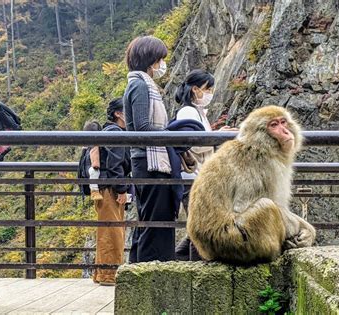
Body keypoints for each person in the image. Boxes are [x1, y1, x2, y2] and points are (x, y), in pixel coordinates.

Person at [123, 35, 177, 263]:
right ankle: (148, 271)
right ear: (149, 59)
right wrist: (174, 135)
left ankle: (138, 269)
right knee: (156, 220)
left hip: (148, 159)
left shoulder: (140, 84)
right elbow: (144, 126)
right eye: (159, 60)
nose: (161, 65)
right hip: (149, 161)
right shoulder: (140, 85)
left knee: (149, 219)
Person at [173, 69, 237, 260]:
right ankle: (194, 265)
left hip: (199, 176)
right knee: (199, 226)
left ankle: (180, 258)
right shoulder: (187, 111)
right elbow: (195, 142)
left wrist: (218, 132)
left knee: (199, 223)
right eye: (207, 89)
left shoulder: (197, 111)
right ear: (195, 89)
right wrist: (218, 137)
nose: (209, 93)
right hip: (192, 176)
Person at [93, 98, 131, 285]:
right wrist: (122, 189)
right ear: (118, 113)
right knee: (112, 232)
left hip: (104, 186)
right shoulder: (115, 133)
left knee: (107, 230)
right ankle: (109, 275)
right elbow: (116, 164)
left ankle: (102, 274)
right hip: (110, 188)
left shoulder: (107, 131)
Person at [83, 121, 103, 201]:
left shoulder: (86, 147)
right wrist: (96, 164)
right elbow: (95, 156)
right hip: (94, 167)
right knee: (94, 172)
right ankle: (94, 191)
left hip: (89, 169)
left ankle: (94, 190)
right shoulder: (96, 145)